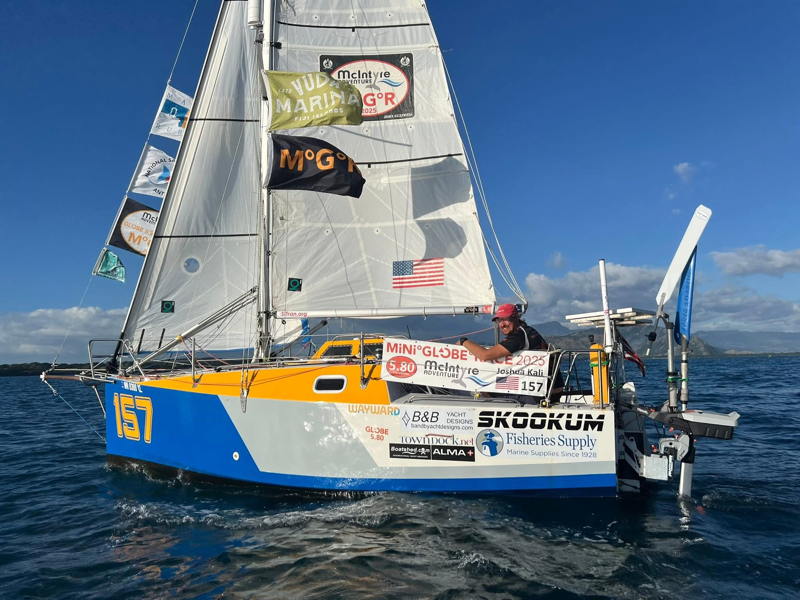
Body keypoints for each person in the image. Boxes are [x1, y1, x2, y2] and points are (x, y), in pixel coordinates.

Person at [458, 303, 563, 400]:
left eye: (505, 319)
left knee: (477, 388)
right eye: (499, 320)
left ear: (516, 318)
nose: (502, 324)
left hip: (540, 394)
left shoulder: (518, 336)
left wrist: (464, 342)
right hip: (551, 389)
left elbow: (485, 355)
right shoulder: (527, 330)